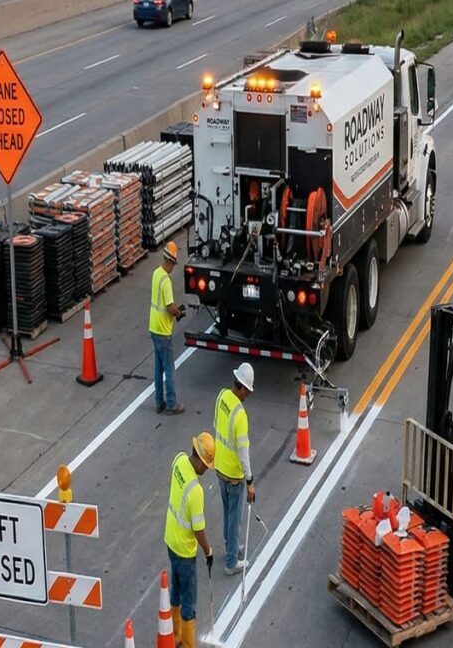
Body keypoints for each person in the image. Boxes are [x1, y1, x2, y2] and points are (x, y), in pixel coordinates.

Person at [165, 432, 215, 648]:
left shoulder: (178, 460)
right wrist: (208, 551)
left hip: (170, 540)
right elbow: (199, 530)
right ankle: (187, 644)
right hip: (185, 550)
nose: (206, 469)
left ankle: (174, 635)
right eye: (206, 464)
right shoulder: (196, 491)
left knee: (175, 590)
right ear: (200, 460)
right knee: (189, 601)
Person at [214, 362, 256, 576]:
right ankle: (231, 562)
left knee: (226, 513)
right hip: (234, 475)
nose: (248, 394)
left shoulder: (222, 397)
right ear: (241, 386)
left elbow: (215, 426)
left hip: (219, 468)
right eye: (247, 390)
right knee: (234, 518)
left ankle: (230, 546)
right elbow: (243, 452)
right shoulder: (240, 415)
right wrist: (249, 481)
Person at [151, 241, 186, 415]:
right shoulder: (165, 280)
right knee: (169, 369)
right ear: (171, 261)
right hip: (164, 331)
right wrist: (179, 313)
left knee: (158, 369)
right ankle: (172, 404)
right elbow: (169, 307)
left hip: (153, 327)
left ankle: (159, 402)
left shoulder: (156, 273)